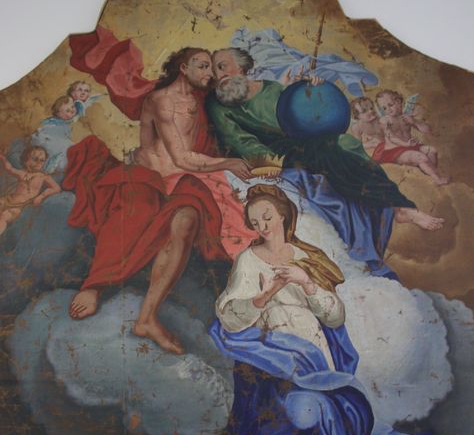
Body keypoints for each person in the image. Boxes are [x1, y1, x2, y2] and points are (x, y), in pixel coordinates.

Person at [186, 185, 431, 435]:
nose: (262, 227)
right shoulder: (248, 260)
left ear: (283, 215)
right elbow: (229, 315)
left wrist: (307, 283)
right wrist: (263, 296)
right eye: (255, 222)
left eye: (267, 217)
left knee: (318, 414)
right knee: (292, 413)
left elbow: (335, 316)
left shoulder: (308, 257)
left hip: (314, 353)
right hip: (271, 354)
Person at [64, 47, 254, 354]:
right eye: (202, 66)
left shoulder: (202, 98)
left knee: (187, 220)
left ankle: (147, 318)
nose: (209, 73)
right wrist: (229, 163)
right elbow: (182, 157)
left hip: (184, 181)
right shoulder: (163, 101)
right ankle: (94, 286)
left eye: (211, 67)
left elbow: (243, 94)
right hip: (151, 178)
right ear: (183, 68)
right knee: (137, 213)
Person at [207, 48, 445, 232]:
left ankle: (395, 206)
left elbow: (301, 113)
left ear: (242, 66)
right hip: (277, 154)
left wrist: (311, 91)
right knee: (329, 153)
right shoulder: (219, 104)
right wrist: (271, 164)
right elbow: (240, 142)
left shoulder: (271, 88)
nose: (219, 75)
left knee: (347, 143)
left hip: (301, 141)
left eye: (222, 66)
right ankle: (399, 208)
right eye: (215, 72)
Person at [371, 90, 449, 185]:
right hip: (393, 151)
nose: (388, 109)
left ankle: (430, 174)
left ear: (399, 101)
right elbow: (391, 137)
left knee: (432, 151)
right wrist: (406, 144)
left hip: (409, 146)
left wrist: (414, 122)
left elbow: (427, 130)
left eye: (390, 105)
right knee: (420, 157)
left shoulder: (406, 117)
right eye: (384, 108)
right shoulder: (385, 120)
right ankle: (437, 179)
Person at [0, 146, 61, 235]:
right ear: (26, 160)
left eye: (42, 160)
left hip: (20, 206)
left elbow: (56, 188)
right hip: (8, 200)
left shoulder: (43, 177)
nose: (39, 163)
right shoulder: (22, 173)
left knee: (4, 216)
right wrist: (2, 157)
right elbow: (9, 168)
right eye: (35, 159)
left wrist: (42, 196)